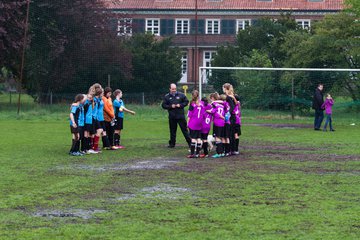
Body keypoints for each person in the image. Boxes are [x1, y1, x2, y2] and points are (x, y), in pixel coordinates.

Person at [161, 83, 191, 148]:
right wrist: (170, 106)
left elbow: (186, 102)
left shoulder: (181, 95)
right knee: (172, 131)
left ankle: (190, 143)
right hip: (172, 117)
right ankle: (172, 144)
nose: (174, 90)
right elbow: (163, 105)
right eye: (172, 89)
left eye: (175, 89)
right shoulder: (167, 96)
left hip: (180, 116)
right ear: (170, 89)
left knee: (185, 130)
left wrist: (180, 105)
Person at [187, 90, 204, 158]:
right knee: (199, 138)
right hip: (200, 123)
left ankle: (192, 154)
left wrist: (187, 124)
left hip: (193, 123)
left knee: (193, 138)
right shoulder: (202, 103)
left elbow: (189, 115)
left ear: (192, 96)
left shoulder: (192, 104)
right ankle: (197, 154)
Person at [207, 92, 226, 158]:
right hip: (222, 123)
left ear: (212, 98)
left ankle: (219, 153)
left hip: (217, 122)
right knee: (220, 137)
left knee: (217, 137)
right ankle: (223, 152)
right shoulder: (222, 105)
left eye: (210, 99)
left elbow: (213, 111)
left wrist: (206, 110)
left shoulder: (214, 104)